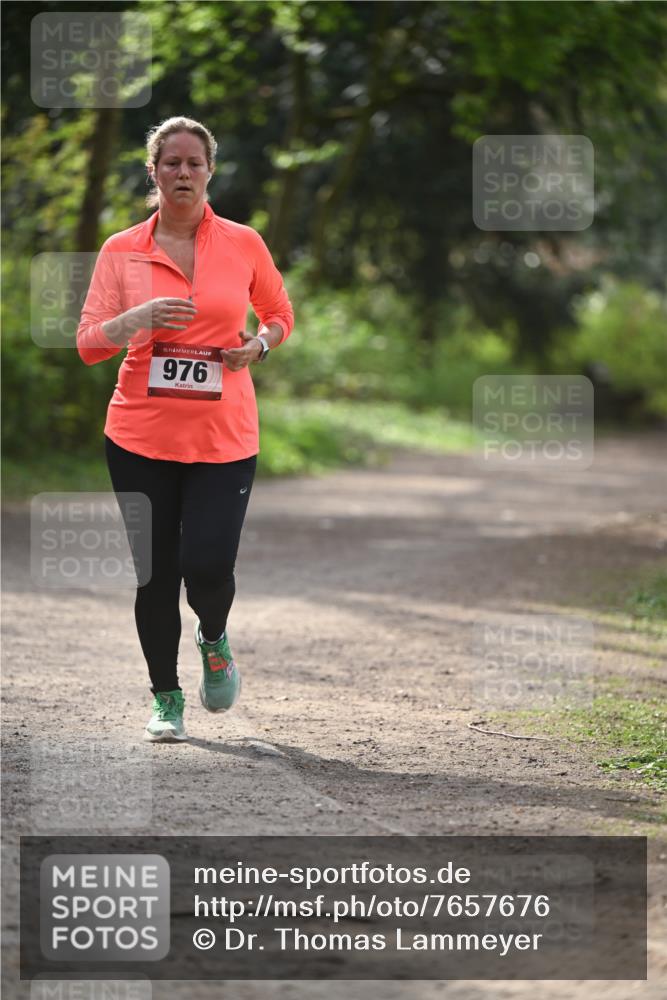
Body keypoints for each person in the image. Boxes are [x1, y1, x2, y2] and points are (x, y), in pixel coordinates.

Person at [76, 116, 294, 743]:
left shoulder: (243, 243)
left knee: (207, 565)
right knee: (156, 574)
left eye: (193, 163)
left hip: (224, 437)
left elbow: (278, 313)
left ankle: (214, 638)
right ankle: (166, 698)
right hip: (139, 437)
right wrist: (135, 319)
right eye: (170, 162)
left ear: (209, 171)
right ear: (153, 171)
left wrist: (259, 345)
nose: (182, 172)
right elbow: (89, 344)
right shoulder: (122, 250)